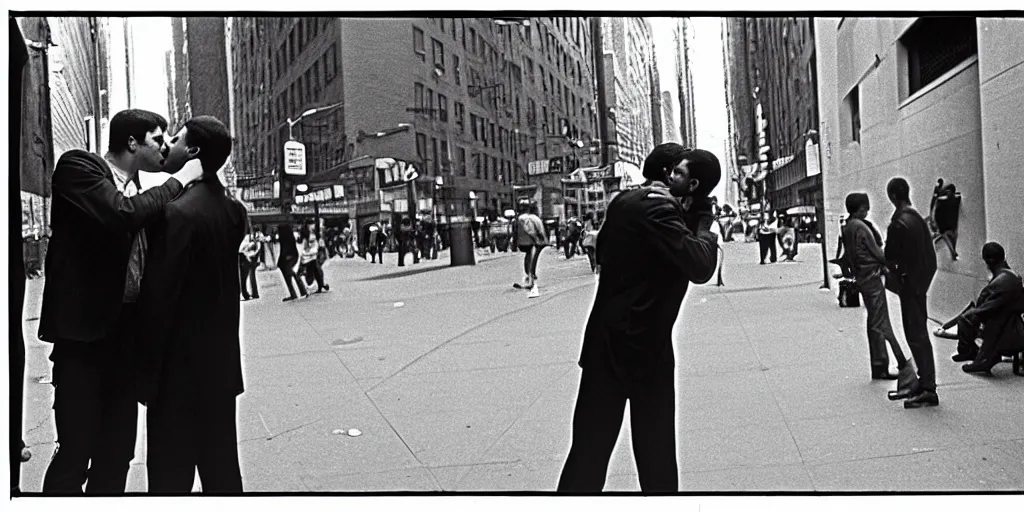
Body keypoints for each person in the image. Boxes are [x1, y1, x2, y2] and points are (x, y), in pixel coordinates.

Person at [38, 109, 204, 494]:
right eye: (157, 139)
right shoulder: (79, 168)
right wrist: (181, 178)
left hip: (125, 347)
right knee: (75, 454)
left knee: (117, 455)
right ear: (132, 142)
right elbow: (121, 215)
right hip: (83, 345)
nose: (165, 148)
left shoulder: (142, 192)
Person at [558, 144, 720, 492]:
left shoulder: (627, 204)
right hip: (632, 350)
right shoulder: (657, 208)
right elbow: (701, 265)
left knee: (595, 452)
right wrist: (705, 225)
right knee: (646, 456)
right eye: (674, 170)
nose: (674, 176)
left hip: (623, 348)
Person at [135, 115, 245, 493]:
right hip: (220, 368)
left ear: (193, 152)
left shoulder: (175, 212)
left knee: (169, 480)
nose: (169, 146)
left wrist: (146, 373)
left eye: (177, 139)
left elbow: (159, 299)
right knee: (223, 474)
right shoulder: (234, 211)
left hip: (176, 376)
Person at [841, 193, 913, 384]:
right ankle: (901, 362)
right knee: (881, 321)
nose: (868, 211)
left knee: (874, 322)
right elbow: (880, 254)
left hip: (862, 277)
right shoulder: (861, 227)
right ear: (859, 209)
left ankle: (879, 365)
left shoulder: (847, 226)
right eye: (865, 208)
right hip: (872, 277)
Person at [884, 177, 939, 408]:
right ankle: (923, 382)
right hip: (919, 282)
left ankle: (928, 388)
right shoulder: (916, 217)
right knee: (919, 335)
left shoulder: (900, 222)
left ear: (892, 197)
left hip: (910, 285)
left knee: (916, 336)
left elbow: (891, 257)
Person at [940, 243, 1024, 373]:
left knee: (968, 318)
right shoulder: (1008, 276)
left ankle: (983, 356)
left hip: (1006, 327)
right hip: (1007, 321)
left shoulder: (1003, 280)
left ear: (988, 260)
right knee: (970, 316)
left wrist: (974, 312)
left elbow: (989, 306)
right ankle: (972, 352)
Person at [514, 201, 547, 298]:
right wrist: (540, 239)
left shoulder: (519, 218)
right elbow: (536, 230)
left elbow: (514, 230)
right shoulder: (534, 218)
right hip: (532, 241)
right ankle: (531, 278)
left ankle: (530, 276)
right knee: (532, 260)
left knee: (528, 257)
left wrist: (514, 242)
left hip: (522, 242)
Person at [277, 224, 309, 301]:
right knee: (294, 274)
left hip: (287, 258)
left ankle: (295, 293)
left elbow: (283, 250)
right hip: (292, 256)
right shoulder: (291, 236)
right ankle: (302, 291)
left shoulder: (284, 238)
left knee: (290, 276)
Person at [299, 224, 329, 293]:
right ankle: (321, 284)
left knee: (313, 271)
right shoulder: (311, 235)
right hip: (312, 255)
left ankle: (320, 285)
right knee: (316, 270)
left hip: (308, 256)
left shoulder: (307, 235)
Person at [238, 224, 260, 301]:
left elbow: (241, 249)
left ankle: (245, 294)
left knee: (243, 277)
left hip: (245, 257)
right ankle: (249, 293)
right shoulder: (249, 238)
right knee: (247, 276)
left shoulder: (247, 237)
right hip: (247, 257)